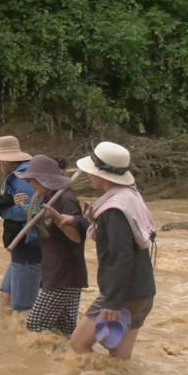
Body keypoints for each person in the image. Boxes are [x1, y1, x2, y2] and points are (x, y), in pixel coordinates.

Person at [66, 141, 157, 360]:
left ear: (102, 175)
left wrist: (113, 302)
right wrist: (87, 222)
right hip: (143, 291)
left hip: (122, 294)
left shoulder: (113, 210)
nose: (89, 176)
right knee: (119, 359)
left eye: (92, 172)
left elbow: (120, 256)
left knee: (78, 345)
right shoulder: (129, 196)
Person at [15, 155, 88, 336]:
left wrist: (58, 218)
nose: (31, 184)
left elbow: (76, 237)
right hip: (57, 271)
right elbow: (42, 226)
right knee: (64, 330)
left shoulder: (65, 199)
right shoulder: (48, 197)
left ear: (44, 179)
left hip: (63, 274)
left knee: (35, 326)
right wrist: (25, 206)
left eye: (33, 180)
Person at [0, 136, 41, 311]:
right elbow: (12, 201)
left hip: (28, 242)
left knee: (21, 307)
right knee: (6, 296)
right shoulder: (18, 175)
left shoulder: (23, 177)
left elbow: (30, 210)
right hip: (21, 243)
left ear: (4, 161)